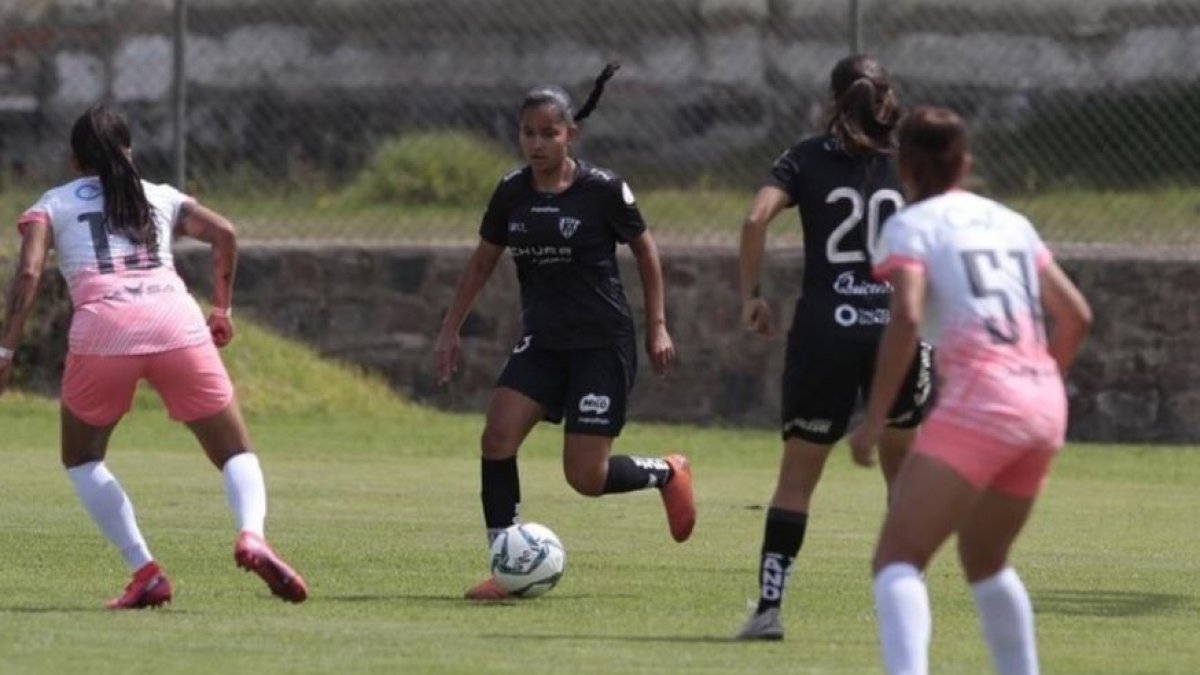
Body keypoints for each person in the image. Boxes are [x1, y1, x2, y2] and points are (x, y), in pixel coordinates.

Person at [0, 105, 308, 609]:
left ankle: (145, 570)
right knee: (235, 451)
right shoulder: (160, 195)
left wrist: (6, 350)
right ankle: (252, 534)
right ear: (129, 151)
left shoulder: (52, 203)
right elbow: (225, 233)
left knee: (82, 459)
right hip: (174, 320)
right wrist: (222, 309)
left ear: (74, 159)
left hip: (104, 328)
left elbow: (29, 274)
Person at [433, 64, 695, 601]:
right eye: (528, 133)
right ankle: (506, 565)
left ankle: (668, 472)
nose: (537, 143)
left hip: (601, 344)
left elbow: (646, 253)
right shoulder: (511, 193)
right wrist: (449, 329)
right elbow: (482, 263)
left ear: (570, 134)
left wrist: (658, 326)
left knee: (586, 478)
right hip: (545, 342)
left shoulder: (603, 190)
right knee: (496, 437)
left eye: (548, 133)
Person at [849, 106, 1092, 674]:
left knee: (897, 558)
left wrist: (875, 419)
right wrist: (1037, 385)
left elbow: (907, 317)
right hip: (1042, 403)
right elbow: (1076, 317)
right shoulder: (1011, 222)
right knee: (985, 558)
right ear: (964, 163)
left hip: (982, 399)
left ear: (904, 166)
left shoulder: (911, 226)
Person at [735, 54, 937, 640]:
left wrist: (752, 295)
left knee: (797, 480)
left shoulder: (804, 157)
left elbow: (754, 220)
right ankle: (904, 607)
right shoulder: (912, 158)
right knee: (902, 476)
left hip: (824, 330)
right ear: (887, 97)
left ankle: (769, 609)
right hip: (896, 330)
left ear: (832, 98)